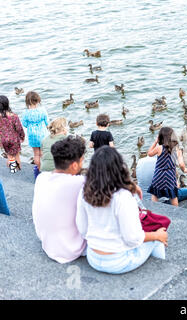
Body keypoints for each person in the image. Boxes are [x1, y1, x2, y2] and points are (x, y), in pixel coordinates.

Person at [76, 146, 167, 274]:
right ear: (119, 168)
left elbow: (82, 229)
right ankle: (161, 274)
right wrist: (157, 235)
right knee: (157, 239)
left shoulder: (84, 192)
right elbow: (132, 238)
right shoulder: (122, 197)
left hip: (93, 257)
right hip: (119, 262)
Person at [32, 135, 87, 263]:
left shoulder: (42, 178)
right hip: (71, 249)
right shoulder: (80, 183)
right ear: (74, 165)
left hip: (47, 244)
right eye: (82, 160)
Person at [147, 127, 187, 206]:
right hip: (170, 176)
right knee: (173, 195)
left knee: (155, 194)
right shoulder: (177, 150)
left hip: (158, 175)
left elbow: (149, 153)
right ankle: (175, 211)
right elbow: (181, 164)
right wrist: (184, 169)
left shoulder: (159, 148)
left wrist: (155, 142)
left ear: (161, 137)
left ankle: (153, 209)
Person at [21, 91, 49, 173]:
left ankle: (39, 169)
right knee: (43, 153)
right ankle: (45, 170)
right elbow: (47, 122)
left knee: (36, 154)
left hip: (32, 135)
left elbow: (24, 124)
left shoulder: (26, 113)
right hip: (43, 134)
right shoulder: (42, 110)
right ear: (37, 101)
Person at [0, 95, 25, 173]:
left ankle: (13, 170)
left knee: (10, 155)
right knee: (16, 154)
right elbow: (19, 128)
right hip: (14, 139)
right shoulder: (14, 116)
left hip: (4, 140)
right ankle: (19, 169)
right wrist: (22, 136)